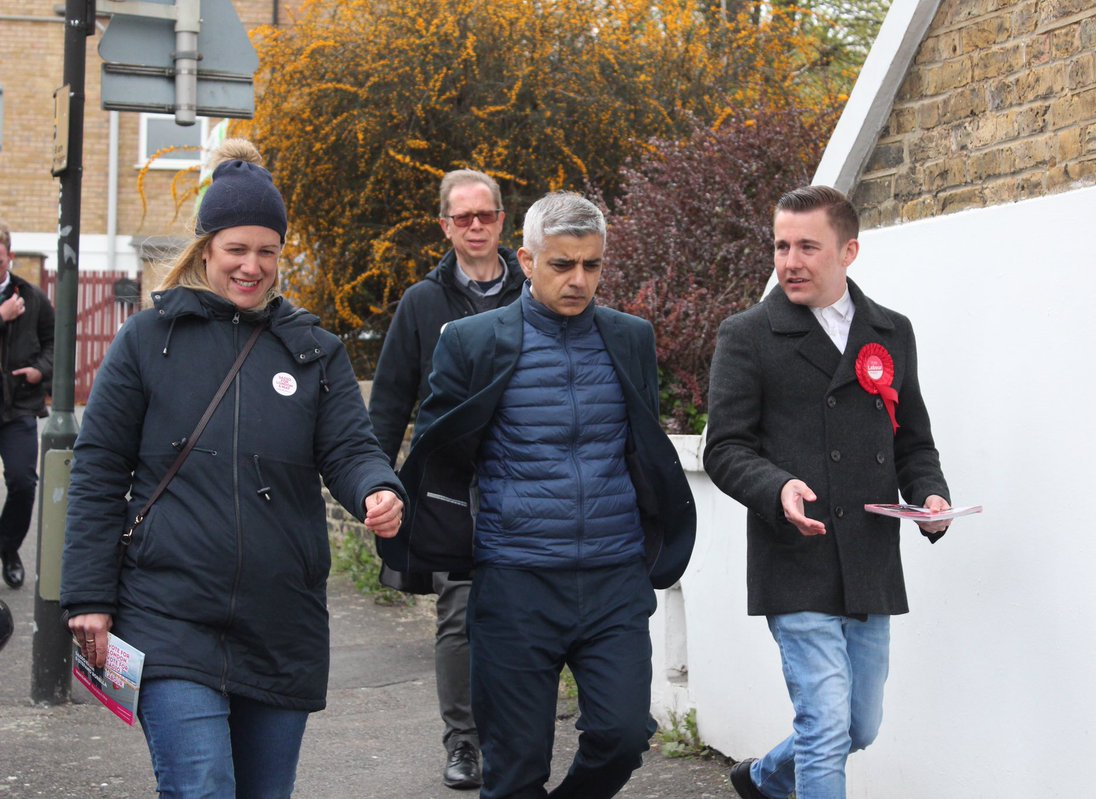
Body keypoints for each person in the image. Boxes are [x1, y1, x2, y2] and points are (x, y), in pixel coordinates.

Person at [59, 139, 406, 798]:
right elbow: (99, 468)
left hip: (281, 622)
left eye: (267, 251)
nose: (252, 266)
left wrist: (379, 488)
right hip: (170, 613)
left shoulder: (314, 351)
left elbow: (350, 448)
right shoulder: (147, 341)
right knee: (202, 787)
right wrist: (89, 598)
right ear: (206, 249)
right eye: (236, 250)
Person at [380, 192, 695, 799]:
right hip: (515, 582)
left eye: (592, 265)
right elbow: (441, 454)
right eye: (562, 265)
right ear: (525, 259)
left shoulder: (631, 337)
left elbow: (644, 447)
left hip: (613, 576)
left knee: (624, 734)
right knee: (516, 765)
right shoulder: (471, 341)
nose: (579, 280)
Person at [703, 186, 952, 799]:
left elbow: (913, 442)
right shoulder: (748, 334)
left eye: (808, 246)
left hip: (868, 556)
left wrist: (931, 496)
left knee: (858, 726)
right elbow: (724, 449)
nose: (790, 260)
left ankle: (762, 778)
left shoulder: (891, 332)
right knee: (823, 726)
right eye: (782, 245)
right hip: (795, 555)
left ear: (849, 251)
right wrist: (779, 485)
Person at [369, 169, 524, 789]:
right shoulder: (422, 303)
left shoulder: (532, 289)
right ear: (445, 226)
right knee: (460, 613)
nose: (476, 227)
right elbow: (388, 402)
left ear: (502, 221)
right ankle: (463, 742)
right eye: (463, 218)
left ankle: (514, 734)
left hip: (525, 478)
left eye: (485, 215)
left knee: (522, 611)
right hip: (451, 487)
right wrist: (373, 483)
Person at [0, 220, 54, 590]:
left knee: (23, 482)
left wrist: (39, 370)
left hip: (18, 406)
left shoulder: (32, 297)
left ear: (9, 256)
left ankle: (7, 549)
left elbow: (54, 343)